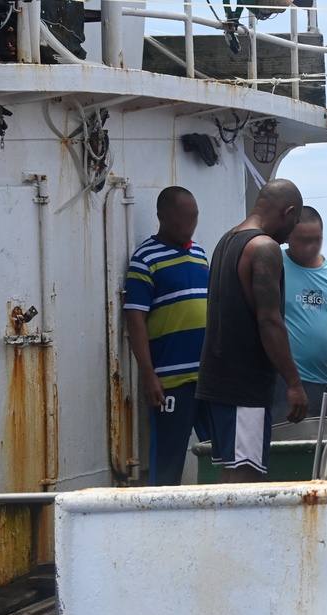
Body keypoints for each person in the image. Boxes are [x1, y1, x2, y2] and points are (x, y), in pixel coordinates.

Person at [196, 179, 307, 483]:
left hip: (217, 381)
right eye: (295, 222)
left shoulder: (226, 242)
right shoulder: (265, 248)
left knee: (233, 469)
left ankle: (221, 531)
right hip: (244, 385)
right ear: (288, 211)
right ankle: (233, 532)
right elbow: (269, 321)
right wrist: (294, 383)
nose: (291, 233)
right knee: (246, 473)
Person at [124, 186, 210, 486]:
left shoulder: (199, 253)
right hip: (170, 382)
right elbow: (135, 319)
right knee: (168, 462)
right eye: (183, 219)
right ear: (162, 217)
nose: (190, 225)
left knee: (220, 455)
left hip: (207, 378)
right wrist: (149, 376)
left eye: (194, 218)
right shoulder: (145, 259)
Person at [270, 206, 327, 423]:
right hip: (284, 382)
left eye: (317, 239)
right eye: (303, 240)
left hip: (325, 383)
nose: (311, 247)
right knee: (285, 447)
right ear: (288, 237)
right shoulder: (274, 265)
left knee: (325, 450)